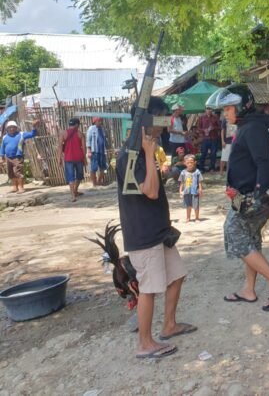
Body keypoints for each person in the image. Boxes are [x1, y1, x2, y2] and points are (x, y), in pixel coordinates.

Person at [116, 96, 196, 360]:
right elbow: (149, 191)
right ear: (146, 121)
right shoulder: (131, 155)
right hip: (143, 234)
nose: (165, 125)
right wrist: (150, 155)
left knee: (177, 275)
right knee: (149, 288)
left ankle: (169, 325)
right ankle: (144, 343)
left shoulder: (146, 148)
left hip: (159, 231)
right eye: (161, 119)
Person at [208, 85, 269, 311]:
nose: (225, 114)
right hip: (245, 195)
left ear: (241, 106)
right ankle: (249, 289)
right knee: (251, 238)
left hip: (252, 196)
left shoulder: (253, 127)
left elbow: (263, 162)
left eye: (227, 108)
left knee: (234, 232)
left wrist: (259, 195)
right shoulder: (249, 126)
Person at [0, 119, 40, 193]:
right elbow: (2, 147)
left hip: (18, 157)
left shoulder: (21, 134)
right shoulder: (5, 137)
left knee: (18, 172)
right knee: (11, 172)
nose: (11, 129)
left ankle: (21, 187)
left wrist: (34, 127)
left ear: (16, 128)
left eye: (13, 127)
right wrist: (2, 157)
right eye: (10, 127)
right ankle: (15, 187)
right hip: (8, 157)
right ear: (7, 129)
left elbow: (32, 134)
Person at [60, 118, 87, 202]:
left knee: (70, 177)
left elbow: (59, 147)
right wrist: (84, 158)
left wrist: (59, 158)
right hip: (78, 158)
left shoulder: (63, 133)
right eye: (78, 125)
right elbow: (84, 148)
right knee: (79, 176)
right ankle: (75, 191)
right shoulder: (80, 134)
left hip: (68, 159)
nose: (78, 126)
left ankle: (73, 195)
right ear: (76, 125)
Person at [179, 154, 203, 222]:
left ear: (195, 162)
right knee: (188, 205)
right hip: (186, 192)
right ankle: (188, 217)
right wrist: (180, 191)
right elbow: (182, 182)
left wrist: (200, 190)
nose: (190, 164)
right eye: (188, 163)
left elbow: (199, 182)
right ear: (184, 163)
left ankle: (197, 218)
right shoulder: (183, 172)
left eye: (191, 162)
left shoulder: (197, 172)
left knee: (196, 206)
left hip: (195, 191)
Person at [86, 117, 108, 187]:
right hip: (94, 152)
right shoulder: (91, 128)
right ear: (95, 121)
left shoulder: (102, 129)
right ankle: (94, 183)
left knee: (104, 168)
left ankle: (99, 181)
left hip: (102, 152)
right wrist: (89, 151)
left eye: (101, 120)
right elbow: (88, 140)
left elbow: (104, 140)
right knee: (93, 168)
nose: (100, 122)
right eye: (99, 121)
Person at [198, 106, 221, 173]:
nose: (209, 110)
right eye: (208, 109)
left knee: (213, 154)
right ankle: (201, 168)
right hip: (205, 138)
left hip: (214, 138)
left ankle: (212, 168)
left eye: (210, 109)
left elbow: (220, 127)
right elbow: (198, 128)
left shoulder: (215, 117)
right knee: (203, 153)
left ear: (212, 110)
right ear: (205, 110)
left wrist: (214, 127)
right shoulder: (201, 117)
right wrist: (204, 130)